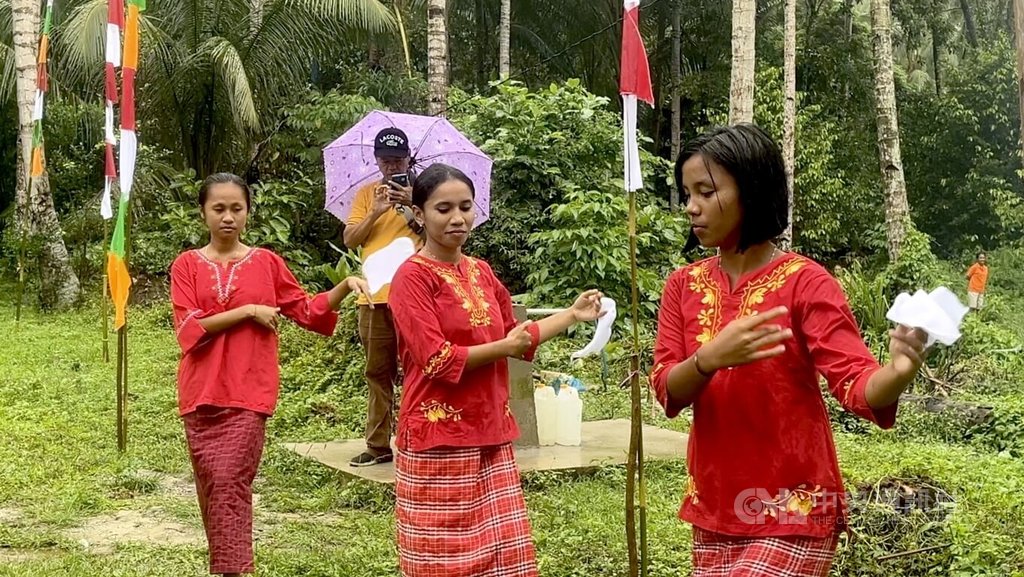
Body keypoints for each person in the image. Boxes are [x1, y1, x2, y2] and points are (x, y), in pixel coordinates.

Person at [650, 125, 928, 577]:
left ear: (752, 190)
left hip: (795, 509)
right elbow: (666, 390)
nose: (691, 207)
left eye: (706, 191)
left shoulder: (807, 282)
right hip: (715, 506)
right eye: (687, 193)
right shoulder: (683, 286)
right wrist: (708, 359)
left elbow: (855, 383)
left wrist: (896, 372)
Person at [388, 163, 604, 577]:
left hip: (490, 429)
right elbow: (436, 359)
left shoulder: (480, 271)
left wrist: (572, 315)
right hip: (439, 436)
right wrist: (504, 346)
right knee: (443, 560)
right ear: (419, 214)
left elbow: (517, 336)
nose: (457, 218)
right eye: (443, 208)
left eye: (465, 207)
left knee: (504, 558)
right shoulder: (411, 278)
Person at [170, 172, 370, 576]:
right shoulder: (186, 265)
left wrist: (346, 285)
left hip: (248, 395)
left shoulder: (266, 263)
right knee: (211, 490)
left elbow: (310, 312)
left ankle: (235, 570)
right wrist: (249, 311)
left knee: (229, 484)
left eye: (236, 208)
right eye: (219, 208)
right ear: (203, 213)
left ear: (248, 212)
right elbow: (188, 329)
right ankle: (227, 567)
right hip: (200, 396)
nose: (228, 217)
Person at [343, 127, 423, 467]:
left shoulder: (425, 191)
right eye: (386, 161)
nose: (392, 168)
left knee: (422, 370)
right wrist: (376, 210)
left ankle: (418, 441)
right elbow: (350, 239)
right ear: (376, 161)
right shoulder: (365, 195)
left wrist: (411, 207)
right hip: (374, 298)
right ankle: (378, 446)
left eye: (398, 160)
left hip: (418, 298)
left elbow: (442, 233)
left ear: (409, 159)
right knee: (377, 373)